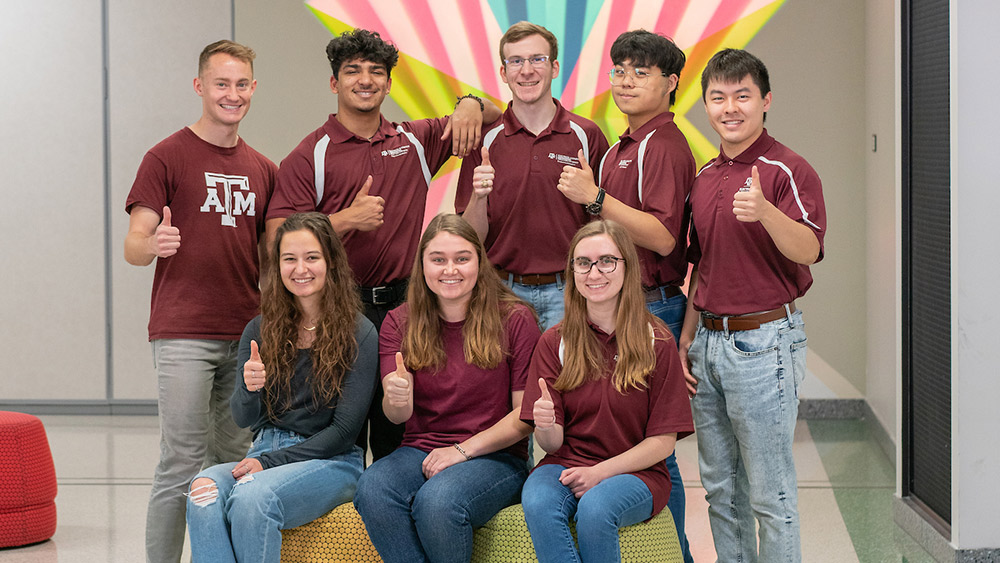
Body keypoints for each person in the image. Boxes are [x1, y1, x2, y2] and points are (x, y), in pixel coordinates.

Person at [266, 29, 501, 462]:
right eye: (352, 70)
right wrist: (344, 221)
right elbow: (276, 240)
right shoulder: (310, 154)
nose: (365, 79)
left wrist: (468, 103)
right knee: (342, 433)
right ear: (334, 83)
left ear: (389, 83)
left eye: (376, 71)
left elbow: (496, 113)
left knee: (400, 432)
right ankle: (343, 528)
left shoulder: (415, 139)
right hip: (339, 311)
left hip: (404, 308)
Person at [123, 39, 276, 563]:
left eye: (241, 85)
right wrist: (153, 244)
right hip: (183, 332)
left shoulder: (262, 167)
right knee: (183, 460)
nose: (231, 94)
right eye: (221, 84)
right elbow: (133, 245)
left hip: (244, 334)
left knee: (234, 458)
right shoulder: (165, 156)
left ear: (252, 89)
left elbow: (270, 255)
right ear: (200, 87)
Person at [679, 49, 826, 563]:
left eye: (742, 95)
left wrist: (764, 211)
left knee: (771, 495)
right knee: (720, 490)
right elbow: (701, 266)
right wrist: (686, 339)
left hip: (765, 345)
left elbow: (810, 249)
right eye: (718, 97)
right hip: (709, 345)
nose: (730, 107)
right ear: (705, 105)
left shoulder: (788, 168)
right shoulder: (703, 176)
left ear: (765, 100)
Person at [554, 29, 696, 562]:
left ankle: (673, 553)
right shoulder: (621, 144)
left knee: (660, 451)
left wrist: (594, 196)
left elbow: (661, 236)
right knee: (632, 441)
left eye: (641, 71)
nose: (627, 80)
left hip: (650, 303)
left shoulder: (664, 145)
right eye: (619, 70)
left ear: (671, 82)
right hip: (616, 304)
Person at [185, 212, 377, 563]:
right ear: (277, 266)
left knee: (251, 498)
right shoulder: (260, 329)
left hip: (332, 461)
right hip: (265, 450)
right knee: (203, 491)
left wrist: (269, 463)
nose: (300, 268)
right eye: (289, 259)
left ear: (331, 262)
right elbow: (244, 419)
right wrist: (249, 387)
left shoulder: (359, 331)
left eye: (311, 257)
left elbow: (345, 432)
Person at [353, 214, 541, 563]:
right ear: (422, 265)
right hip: (419, 450)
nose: (449, 269)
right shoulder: (399, 321)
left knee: (438, 502)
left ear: (479, 263)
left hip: (496, 457)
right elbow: (399, 416)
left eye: (462, 258)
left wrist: (462, 451)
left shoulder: (515, 319)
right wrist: (396, 399)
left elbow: (524, 416)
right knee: (373, 489)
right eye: (438, 259)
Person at [519, 220, 694, 563]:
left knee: (597, 509)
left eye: (606, 261)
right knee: (538, 500)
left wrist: (599, 473)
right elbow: (551, 445)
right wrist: (544, 425)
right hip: (566, 464)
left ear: (627, 267)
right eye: (583, 263)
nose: (594, 272)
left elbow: (663, 442)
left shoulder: (657, 342)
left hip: (637, 474)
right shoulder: (554, 341)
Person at [457, 21, 610, 332]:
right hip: (501, 292)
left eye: (537, 59)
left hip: (572, 291)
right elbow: (469, 239)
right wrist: (479, 196)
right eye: (516, 61)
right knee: (507, 381)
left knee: (570, 380)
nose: (526, 70)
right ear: (504, 72)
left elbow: (606, 223)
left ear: (554, 67)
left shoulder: (587, 135)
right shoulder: (486, 141)